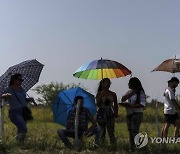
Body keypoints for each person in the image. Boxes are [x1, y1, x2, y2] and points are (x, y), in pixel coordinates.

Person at [1, 73, 35, 142]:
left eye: (22, 80)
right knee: (23, 128)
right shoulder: (9, 89)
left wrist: (29, 99)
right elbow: (1, 95)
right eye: (19, 80)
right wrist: (5, 95)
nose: (21, 81)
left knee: (21, 129)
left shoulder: (22, 89)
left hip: (24, 111)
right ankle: (15, 141)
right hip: (15, 113)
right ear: (14, 80)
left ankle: (20, 144)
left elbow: (23, 99)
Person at [120, 77, 146, 151]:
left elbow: (142, 104)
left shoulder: (140, 92)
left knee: (135, 131)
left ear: (133, 84)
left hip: (137, 114)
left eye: (130, 83)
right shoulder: (129, 92)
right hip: (129, 113)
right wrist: (131, 93)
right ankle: (132, 148)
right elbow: (123, 99)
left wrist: (131, 106)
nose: (128, 84)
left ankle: (139, 146)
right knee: (130, 131)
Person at [96, 78, 118, 145]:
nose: (108, 84)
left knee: (111, 131)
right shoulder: (99, 93)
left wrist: (116, 112)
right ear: (103, 84)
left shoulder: (113, 94)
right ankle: (102, 145)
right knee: (102, 131)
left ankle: (113, 145)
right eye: (106, 82)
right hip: (102, 112)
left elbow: (116, 104)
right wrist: (101, 96)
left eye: (109, 82)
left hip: (110, 112)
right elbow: (98, 104)